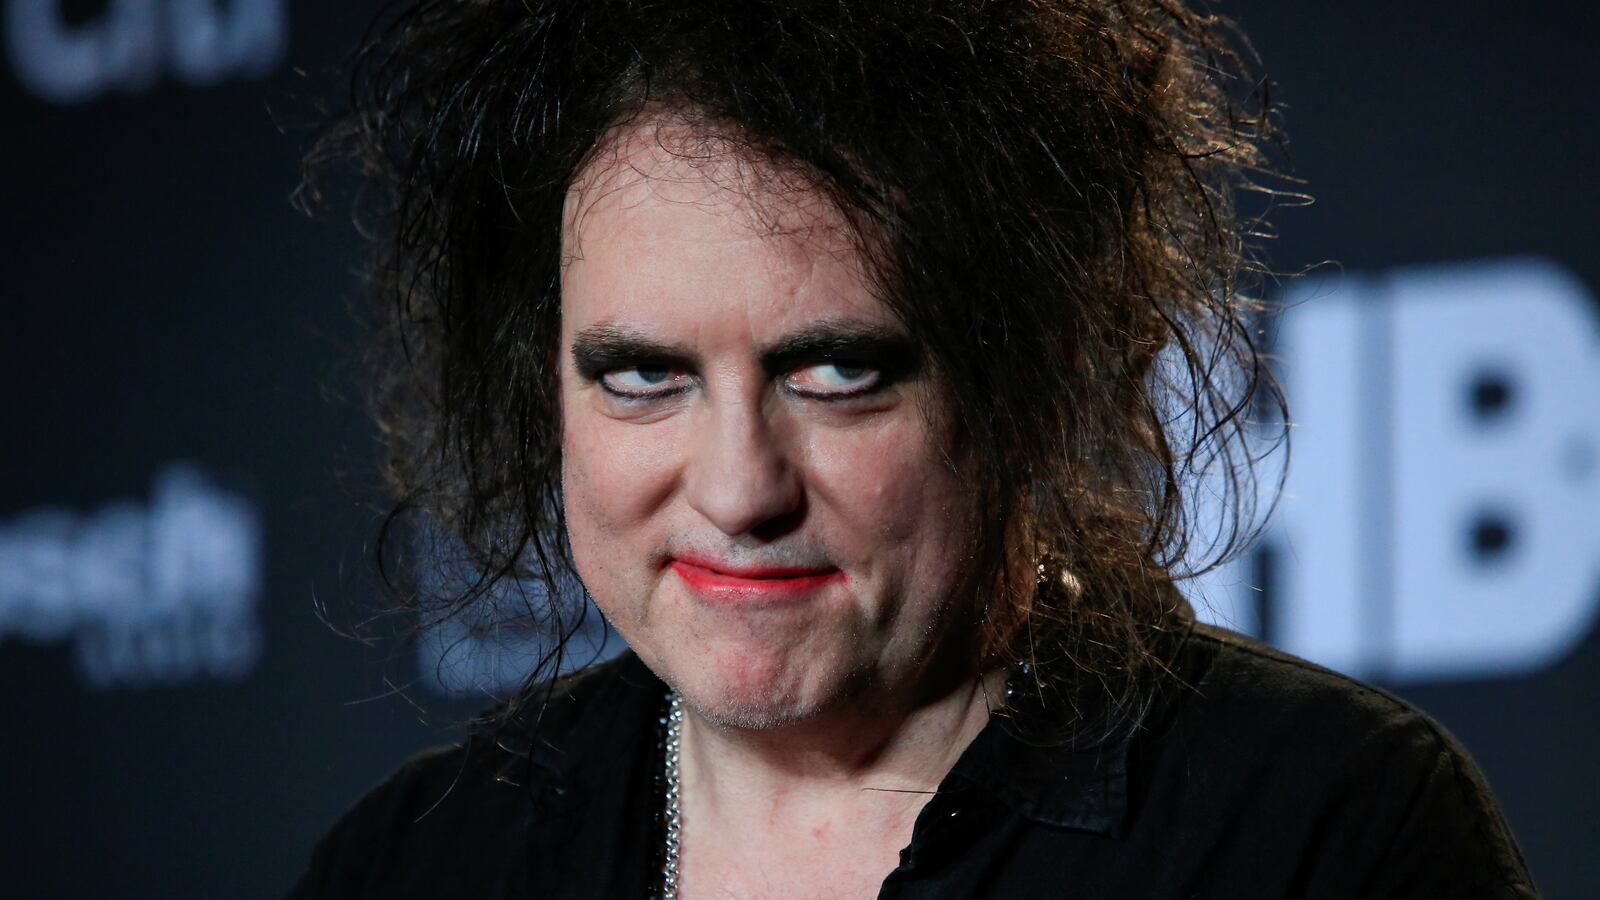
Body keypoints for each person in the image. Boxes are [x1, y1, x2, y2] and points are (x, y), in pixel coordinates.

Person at [289, 1, 1538, 897]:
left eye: (837, 375)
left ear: (1032, 378)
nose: (737, 489)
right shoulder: (413, 863)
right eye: (643, 377)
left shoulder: (1322, 828)